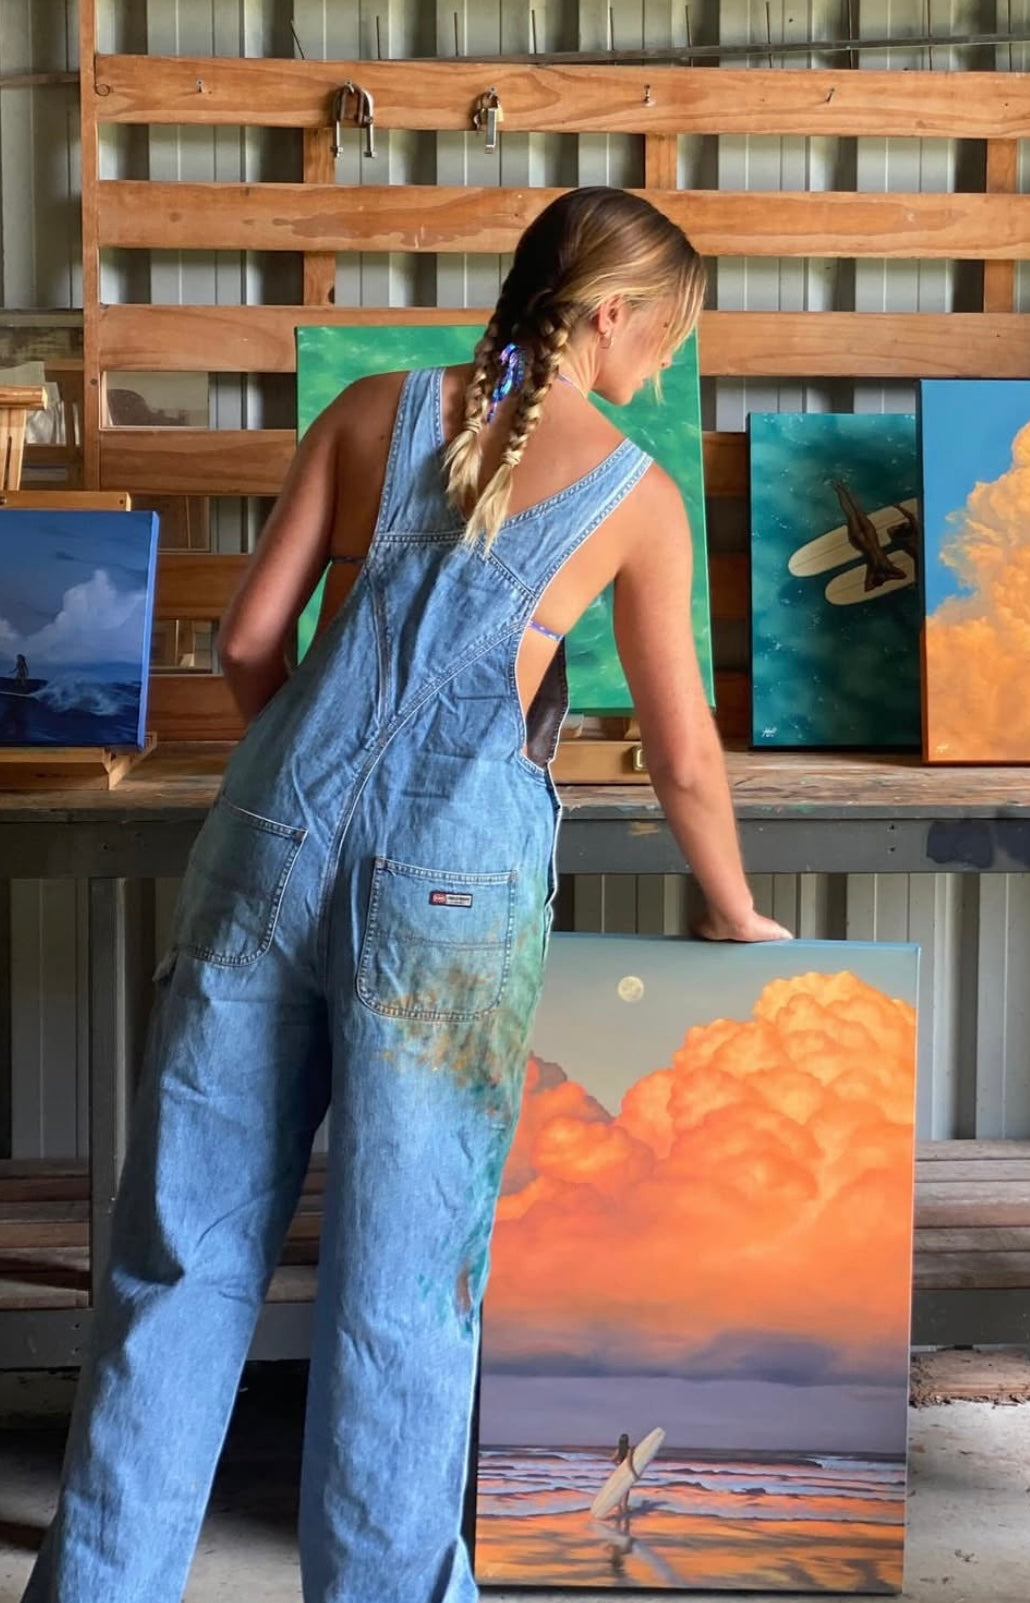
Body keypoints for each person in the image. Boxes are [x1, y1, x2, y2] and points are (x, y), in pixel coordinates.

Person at [22, 185, 790, 1603]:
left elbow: (246, 646)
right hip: (450, 902)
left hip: (264, 844)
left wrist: (303, 775)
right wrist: (737, 911)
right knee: (403, 1289)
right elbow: (683, 756)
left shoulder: (371, 409)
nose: (669, 360)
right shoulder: (635, 497)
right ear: (612, 314)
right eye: (668, 333)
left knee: (177, 1261)